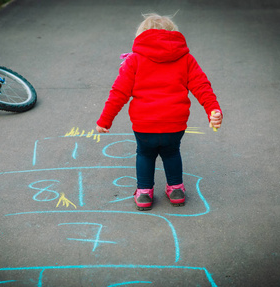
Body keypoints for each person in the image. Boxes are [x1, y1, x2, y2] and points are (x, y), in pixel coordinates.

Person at [96, 13, 223, 210]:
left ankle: (145, 193)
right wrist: (213, 109)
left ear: (141, 37)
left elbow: (118, 92)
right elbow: (202, 86)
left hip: (144, 124)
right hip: (175, 124)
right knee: (172, 153)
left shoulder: (135, 60)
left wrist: (105, 120)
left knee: (145, 155)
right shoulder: (185, 59)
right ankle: (176, 189)